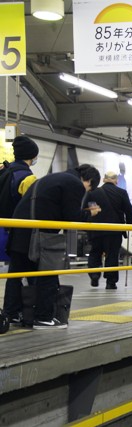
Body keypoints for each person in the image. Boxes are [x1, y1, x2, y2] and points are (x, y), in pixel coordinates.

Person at [6, 164, 101, 329]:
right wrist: (89, 213)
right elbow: (71, 217)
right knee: (47, 273)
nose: (86, 191)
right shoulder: (75, 183)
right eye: (89, 189)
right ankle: (43, 318)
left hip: (20, 230)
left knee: (16, 274)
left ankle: (12, 315)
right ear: (89, 181)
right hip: (41, 235)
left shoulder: (51, 177)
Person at [1, 136, 39, 324]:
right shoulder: (27, 178)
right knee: (31, 271)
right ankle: (33, 311)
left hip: (3, 229)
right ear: (33, 156)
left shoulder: (4, 171)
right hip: (18, 232)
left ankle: (10, 312)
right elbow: (32, 207)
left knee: (14, 273)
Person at [85, 171, 132, 290]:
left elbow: (89, 209)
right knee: (112, 255)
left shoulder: (93, 192)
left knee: (95, 252)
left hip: (96, 229)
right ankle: (110, 282)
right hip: (114, 230)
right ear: (116, 181)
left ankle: (94, 275)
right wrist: (129, 225)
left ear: (103, 179)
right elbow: (129, 210)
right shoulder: (121, 192)